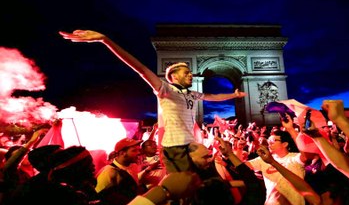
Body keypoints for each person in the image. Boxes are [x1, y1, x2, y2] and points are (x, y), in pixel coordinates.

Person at [59, 30, 247, 175]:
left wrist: (234, 95)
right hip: (175, 146)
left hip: (191, 143)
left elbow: (212, 97)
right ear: (172, 76)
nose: (191, 74)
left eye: (191, 72)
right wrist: (105, 40)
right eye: (186, 72)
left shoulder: (192, 94)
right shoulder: (164, 89)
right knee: (183, 184)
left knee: (205, 177)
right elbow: (139, 68)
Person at [245, 129, 308, 205]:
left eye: (273, 141)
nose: (269, 143)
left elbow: (305, 156)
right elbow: (242, 168)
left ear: (285, 144)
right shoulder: (264, 159)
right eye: (268, 141)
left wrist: (291, 129)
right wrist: (229, 154)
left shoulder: (294, 158)